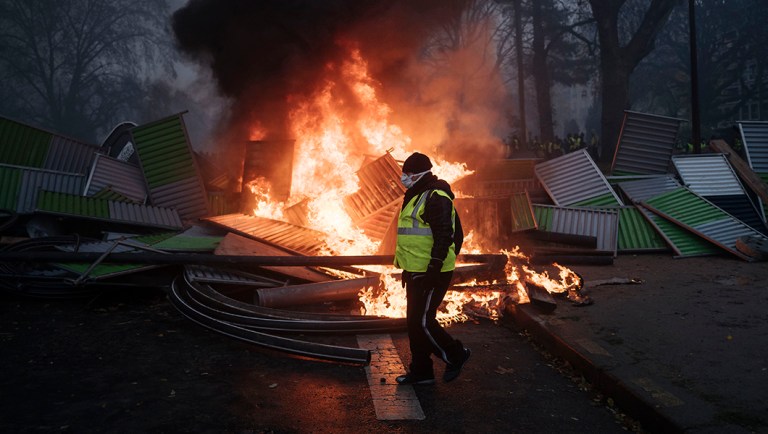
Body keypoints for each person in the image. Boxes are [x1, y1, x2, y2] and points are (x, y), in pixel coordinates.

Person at [394, 152, 470, 385]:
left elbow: (446, 235)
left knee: (424, 322)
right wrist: (409, 268)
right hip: (416, 270)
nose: (404, 177)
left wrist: (434, 268)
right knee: (413, 323)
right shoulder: (416, 194)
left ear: (419, 174)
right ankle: (422, 371)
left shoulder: (436, 196)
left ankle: (456, 354)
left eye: (407, 174)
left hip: (431, 272)